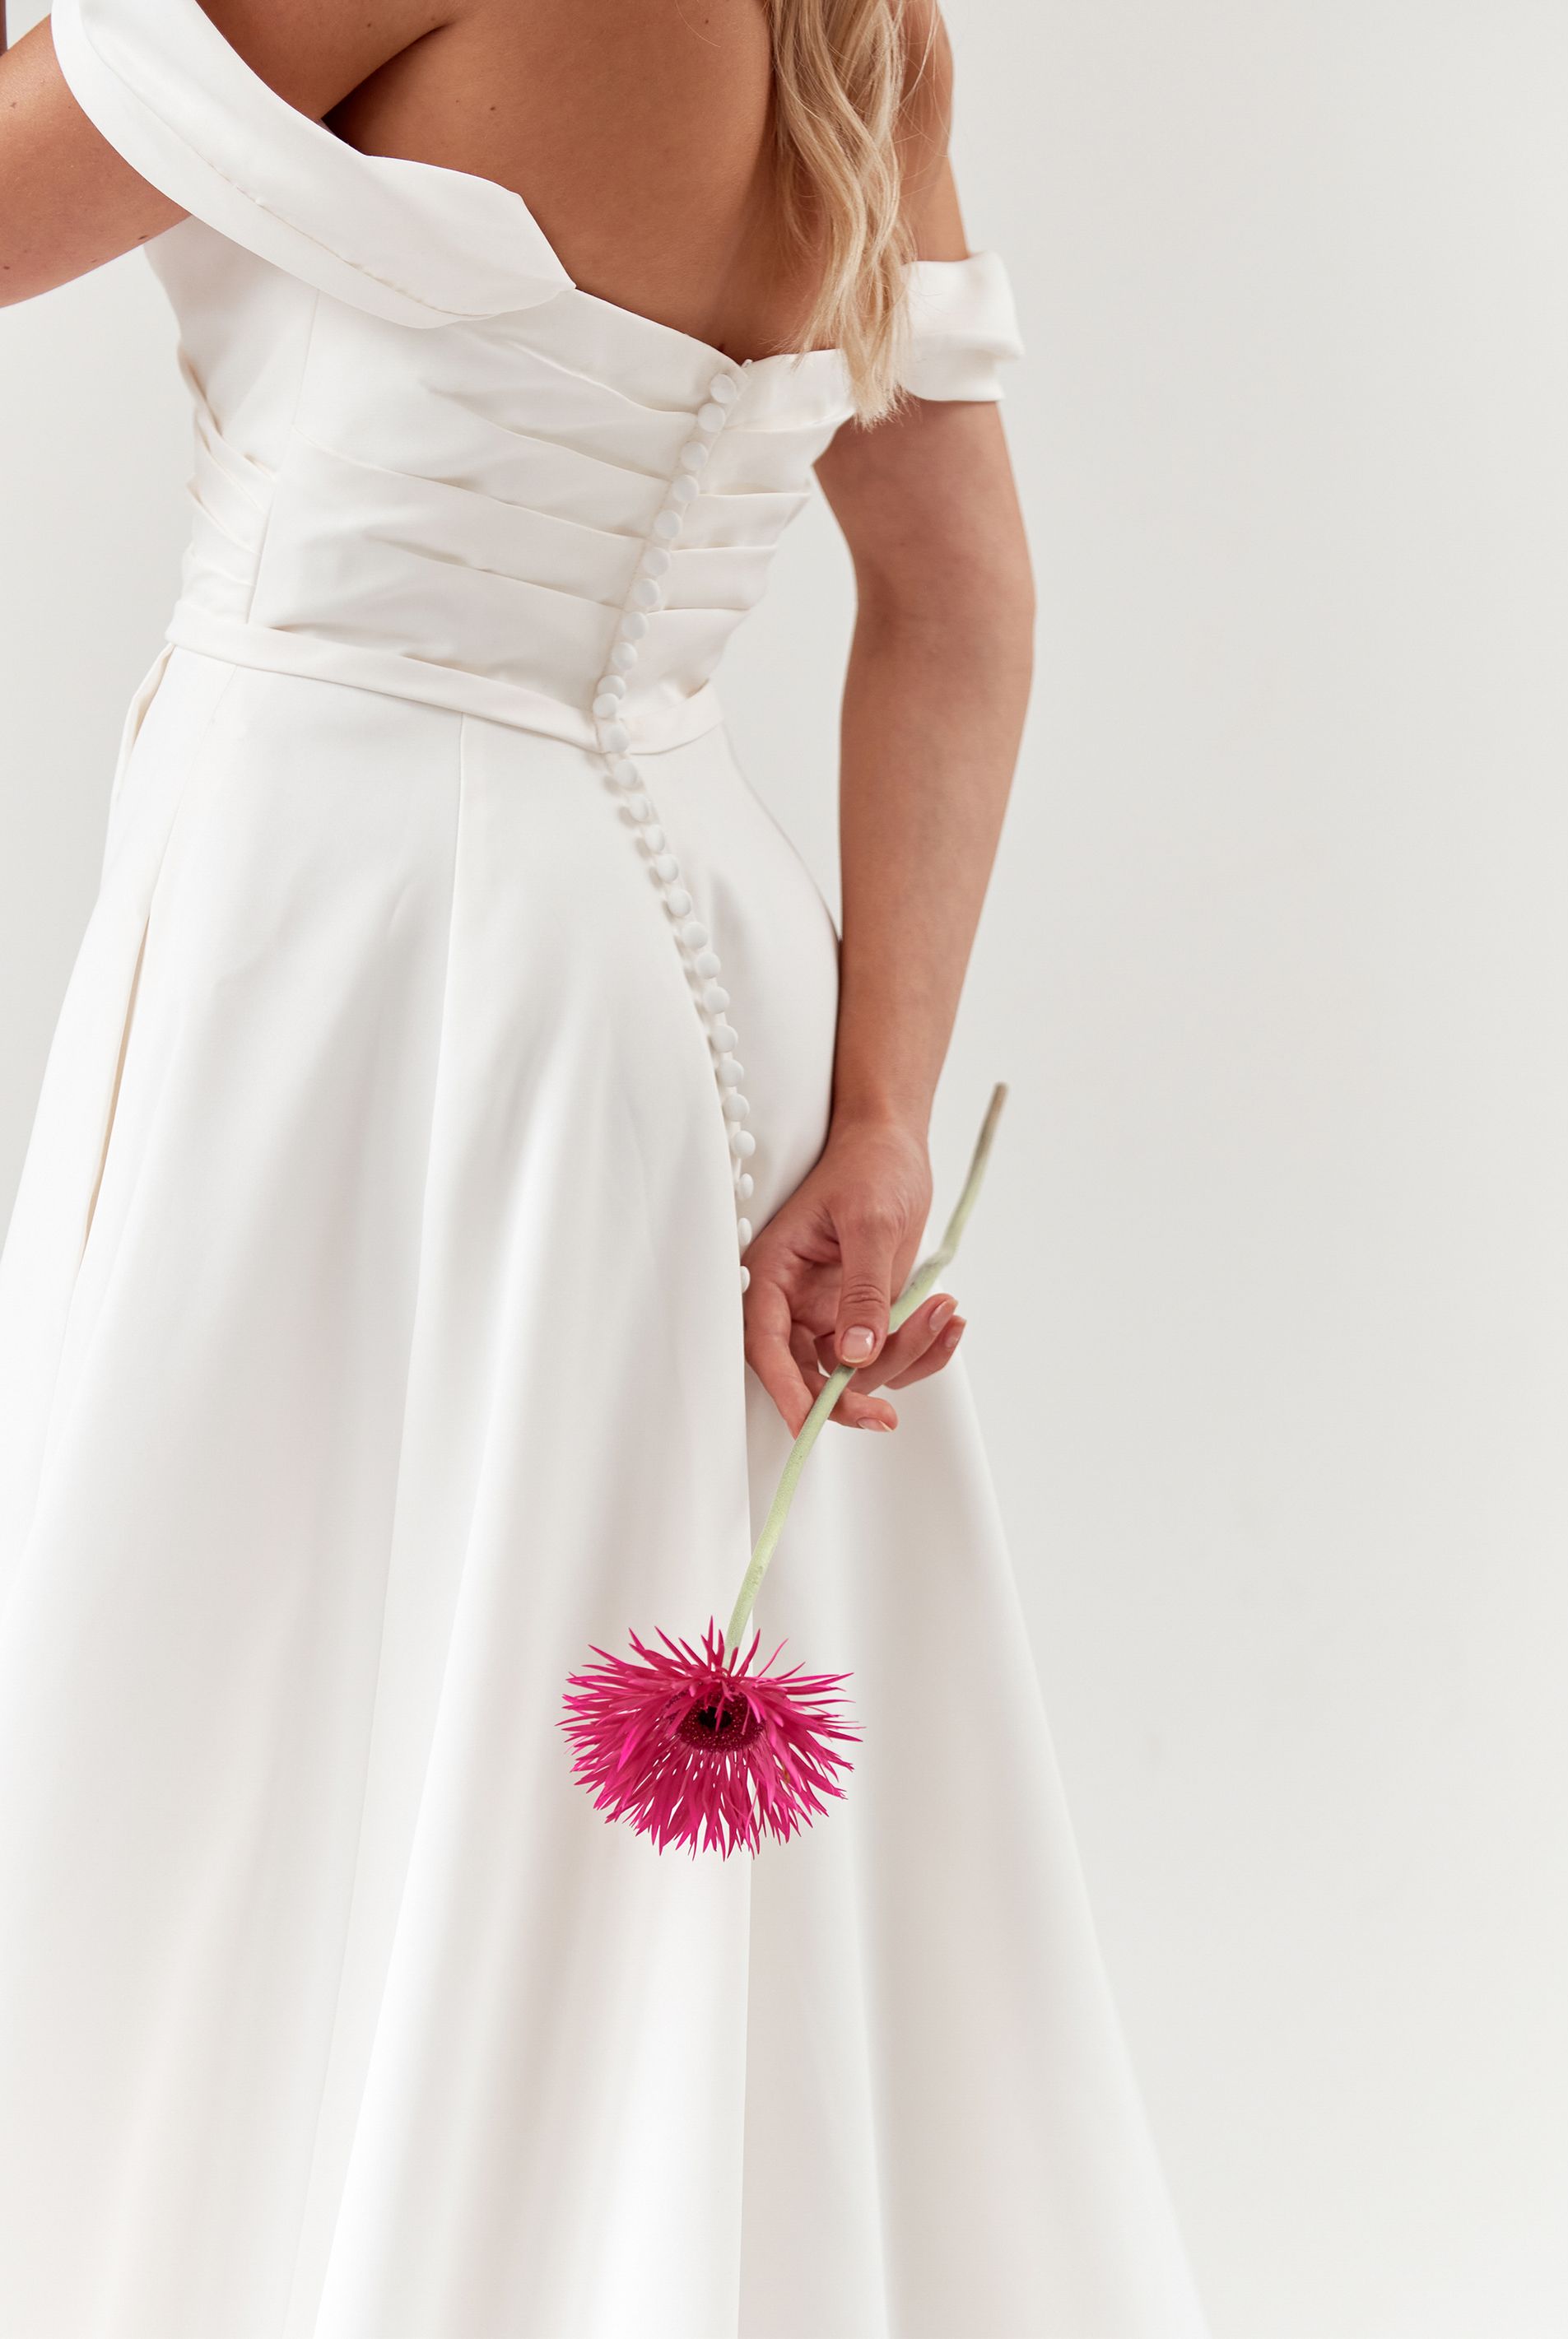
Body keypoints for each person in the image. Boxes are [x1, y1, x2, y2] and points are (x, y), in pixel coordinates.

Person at [0, 0, 1211, 2329]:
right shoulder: (866, 31)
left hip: (357, 964)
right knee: (506, 1776)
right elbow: (960, 593)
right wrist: (877, 1112)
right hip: (673, 1004)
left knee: (240, 1721)